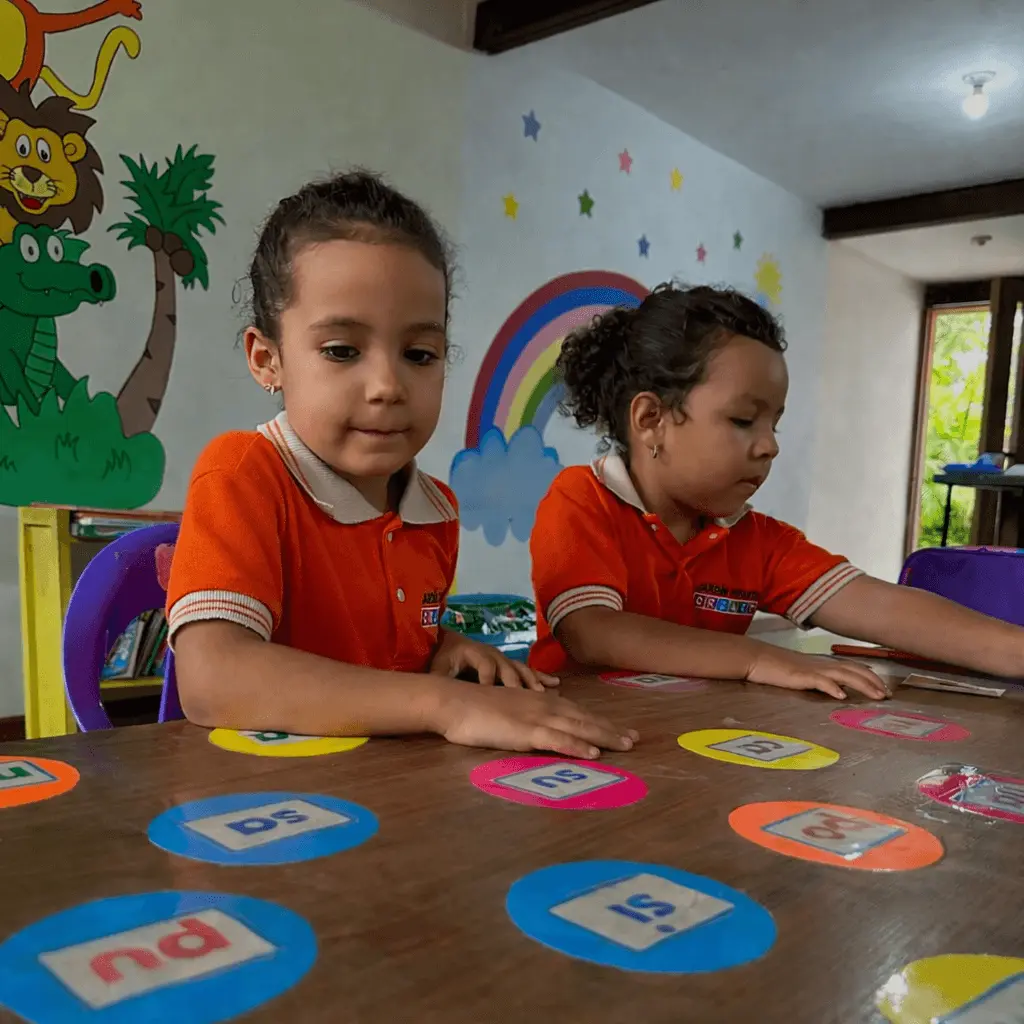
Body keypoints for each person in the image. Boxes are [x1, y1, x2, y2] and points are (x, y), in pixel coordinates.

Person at [167, 170, 636, 760]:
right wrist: (444, 703)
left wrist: (444, 647)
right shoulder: (242, 473)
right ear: (268, 360)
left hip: (393, 788)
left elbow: (383, 644)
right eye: (342, 350)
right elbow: (213, 679)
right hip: (263, 802)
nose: (388, 385)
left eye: (420, 354)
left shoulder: (435, 509)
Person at [529, 283, 1024, 699]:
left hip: (692, 744)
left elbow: (881, 606)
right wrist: (756, 657)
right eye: (743, 420)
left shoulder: (757, 540)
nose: (769, 446)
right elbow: (593, 631)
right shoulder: (581, 499)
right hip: (579, 746)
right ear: (651, 420)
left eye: (775, 424)